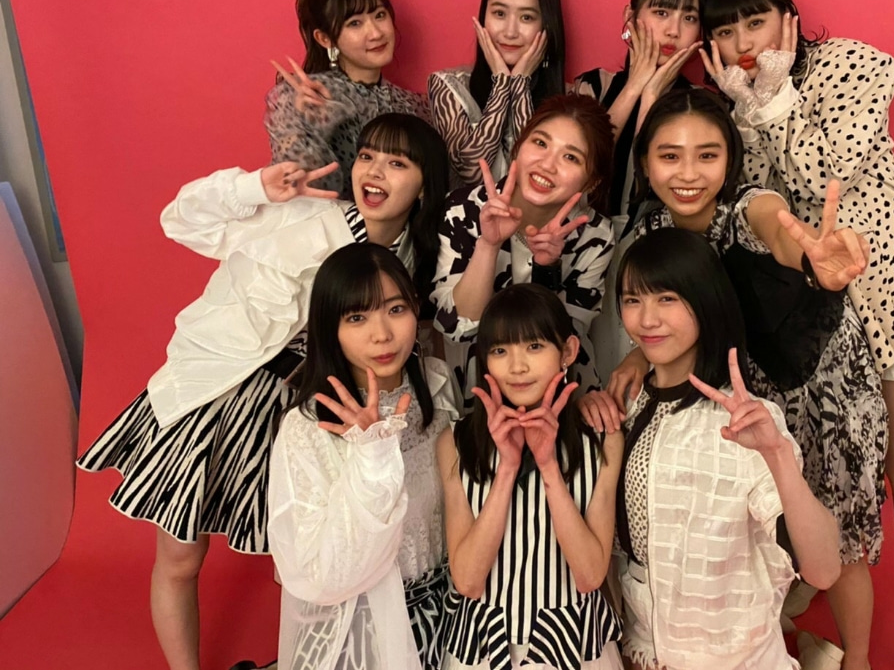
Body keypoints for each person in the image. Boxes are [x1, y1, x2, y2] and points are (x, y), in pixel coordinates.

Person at [77, 115, 448, 670]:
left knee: (304, 556)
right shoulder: (303, 212)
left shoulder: (417, 258)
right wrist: (253, 188)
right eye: (368, 156)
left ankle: (310, 656)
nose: (375, 171)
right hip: (222, 392)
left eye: (397, 163)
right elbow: (180, 220)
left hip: (309, 409)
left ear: (423, 185)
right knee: (181, 556)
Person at [701, 0, 894, 670]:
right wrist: (748, 106)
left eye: (755, 22)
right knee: (821, 473)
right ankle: (812, 585)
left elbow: (827, 173)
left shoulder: (855, 66)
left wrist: (773, 98)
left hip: (891, 289)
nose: (743, 44)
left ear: (788, 18)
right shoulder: (732, 105)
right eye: (725, 31)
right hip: (810, 316)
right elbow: (758, 206)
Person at [626, 88, 886, 670]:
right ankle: (785, 638)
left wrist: (812, 258)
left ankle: (859, 660)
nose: (688, 174)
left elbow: (777, 230)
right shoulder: (653, 230)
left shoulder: (748, 208)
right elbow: (666, 315)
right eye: (669, 155)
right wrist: (633, 360)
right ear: (644, 162)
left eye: (707, 155)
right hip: (750, 394)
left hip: (821, 388)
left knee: (836, 538)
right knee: (767, 527)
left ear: (731, 159)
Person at [614, 228, 841, 670]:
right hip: (641, 646)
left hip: (734, 657)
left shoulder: (745, 423)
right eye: (632, 300)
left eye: (667, 299)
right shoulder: (627, 402)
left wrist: (777, 455)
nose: (647, 319)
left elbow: (823, 570)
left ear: (705, 302)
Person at [268, 243, 461, 670]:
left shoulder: (436, 385)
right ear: (329, 328)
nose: (382, 334)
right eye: (357, 317)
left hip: (449, 619)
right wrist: (372, 456)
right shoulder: (308, 428)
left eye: (395, 309)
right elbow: (321, 576)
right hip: (360, 630)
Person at [437, 284, 624, 670]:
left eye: (535, 346)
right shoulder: (455, 442)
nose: (517, 367)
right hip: (482, 649)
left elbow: (590, 575)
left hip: (573, 646)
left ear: (567, 352)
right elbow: (468, 581)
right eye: (500, 351)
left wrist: (549, 465)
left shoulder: (602, 439)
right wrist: (507, 468)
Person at [570, 0, 705, 378]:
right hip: (582, 249)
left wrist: (652, 102)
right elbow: (580, 167)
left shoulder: (698, 104)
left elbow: (656, 188)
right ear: (631, 16)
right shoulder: (593, 85)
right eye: (661, 12)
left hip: (657, 262)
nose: (673, 30)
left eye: (689, 18)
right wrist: (635, 88)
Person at [431, 94, 615, 394]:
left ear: (591, 182)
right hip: (474, 388)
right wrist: (488, 245)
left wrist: (547, 269)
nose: (547, 165)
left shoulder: (594, 236)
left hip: (557, 392)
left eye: (571, 157)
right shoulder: (464, 209)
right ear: (518, 146)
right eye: (540, 143)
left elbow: (564, 343)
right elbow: (456, 328)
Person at [266, 0, 430, 199]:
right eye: (355, 23)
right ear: (325, 39)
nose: (376, 33)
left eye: (379, 15)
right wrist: (307, 127)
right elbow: (303, 194)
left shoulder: (415, 106)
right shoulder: (303, 98)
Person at [429, 0, 566, 190]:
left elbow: (531, 180)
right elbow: (472, 173)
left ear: (547, 25)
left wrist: (520, 85)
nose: (510, 32)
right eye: (500, 14)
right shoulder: (449, 85)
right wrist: (502, 84)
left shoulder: (571, 99)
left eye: (526, 17)